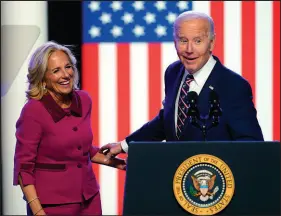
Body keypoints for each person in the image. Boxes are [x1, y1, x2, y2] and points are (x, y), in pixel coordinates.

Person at [99, 11, 264, 159]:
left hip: (214, 183)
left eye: (198, 41)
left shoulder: (233, 85)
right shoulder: (173, 72)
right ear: (174, 42)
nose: (189, 49)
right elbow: (168, 120)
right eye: (183, 40)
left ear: (211, 43)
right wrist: (124, 145)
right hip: (177, 179)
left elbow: (251, 145)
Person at [13, 41, 126, 216]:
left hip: (89, 199)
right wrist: (38, 211)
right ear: (43, 78)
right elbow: (23, 168)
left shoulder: (84, 100)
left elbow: (82, 150)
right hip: (52, 205)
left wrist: (119, 163)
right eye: (56, 70)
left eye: (68, 67)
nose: (66, 75)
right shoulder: (33, 111)